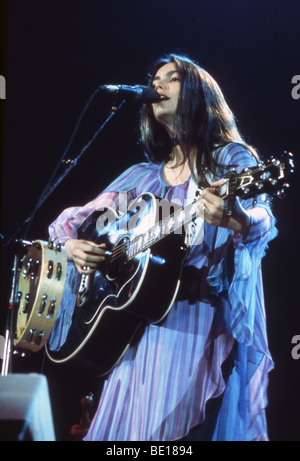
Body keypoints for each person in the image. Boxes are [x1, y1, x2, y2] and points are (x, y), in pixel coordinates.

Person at [48, 53, 277, 441]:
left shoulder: (230, 162)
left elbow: (262, 221)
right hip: (136, 335)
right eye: (155, 79)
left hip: (194, 327)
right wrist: (72, 246)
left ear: (201, 95)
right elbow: (67, 222)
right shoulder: (140, 179)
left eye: (172, 79)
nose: (158, 86)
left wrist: (234, 216)